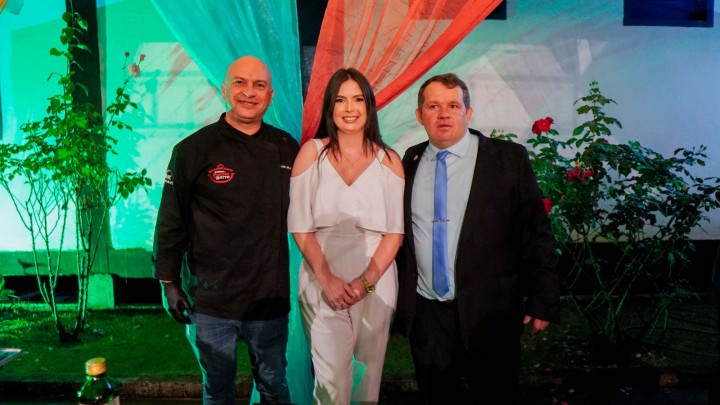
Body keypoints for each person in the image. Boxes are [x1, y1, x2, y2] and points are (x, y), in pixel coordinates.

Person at [395, 73, 560, 405]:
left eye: (453, 105)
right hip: (429, 314)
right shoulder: (409, 161)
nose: (444, 114)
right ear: (419, 115)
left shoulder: (507, 159)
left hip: (491, 312)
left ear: (468, 113)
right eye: (433, 106)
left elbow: (535, 232)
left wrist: (543, 298)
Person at [152, 55, 299, 405]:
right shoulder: (192, 150)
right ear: (224, 89)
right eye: (240, 83)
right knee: (218, 391)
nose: (249, 92)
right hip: (211, 299)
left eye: (259, 85)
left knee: (274, 387)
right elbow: (171, 220)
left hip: (268, 296)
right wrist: (169, 282)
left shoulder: (286, 148)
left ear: (271, 95)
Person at [287, 68, 404, 405]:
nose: (349, 108)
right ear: (330, 106)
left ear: (369, 106)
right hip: (321, 272)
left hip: (376, 275)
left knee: (367, 380)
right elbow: (300, 226)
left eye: (357, 100)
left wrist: (366, 282)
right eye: (340, 100)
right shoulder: (312, 153)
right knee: (332, 382)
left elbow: (395, 233)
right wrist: (327, 279)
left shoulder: (389, 161)